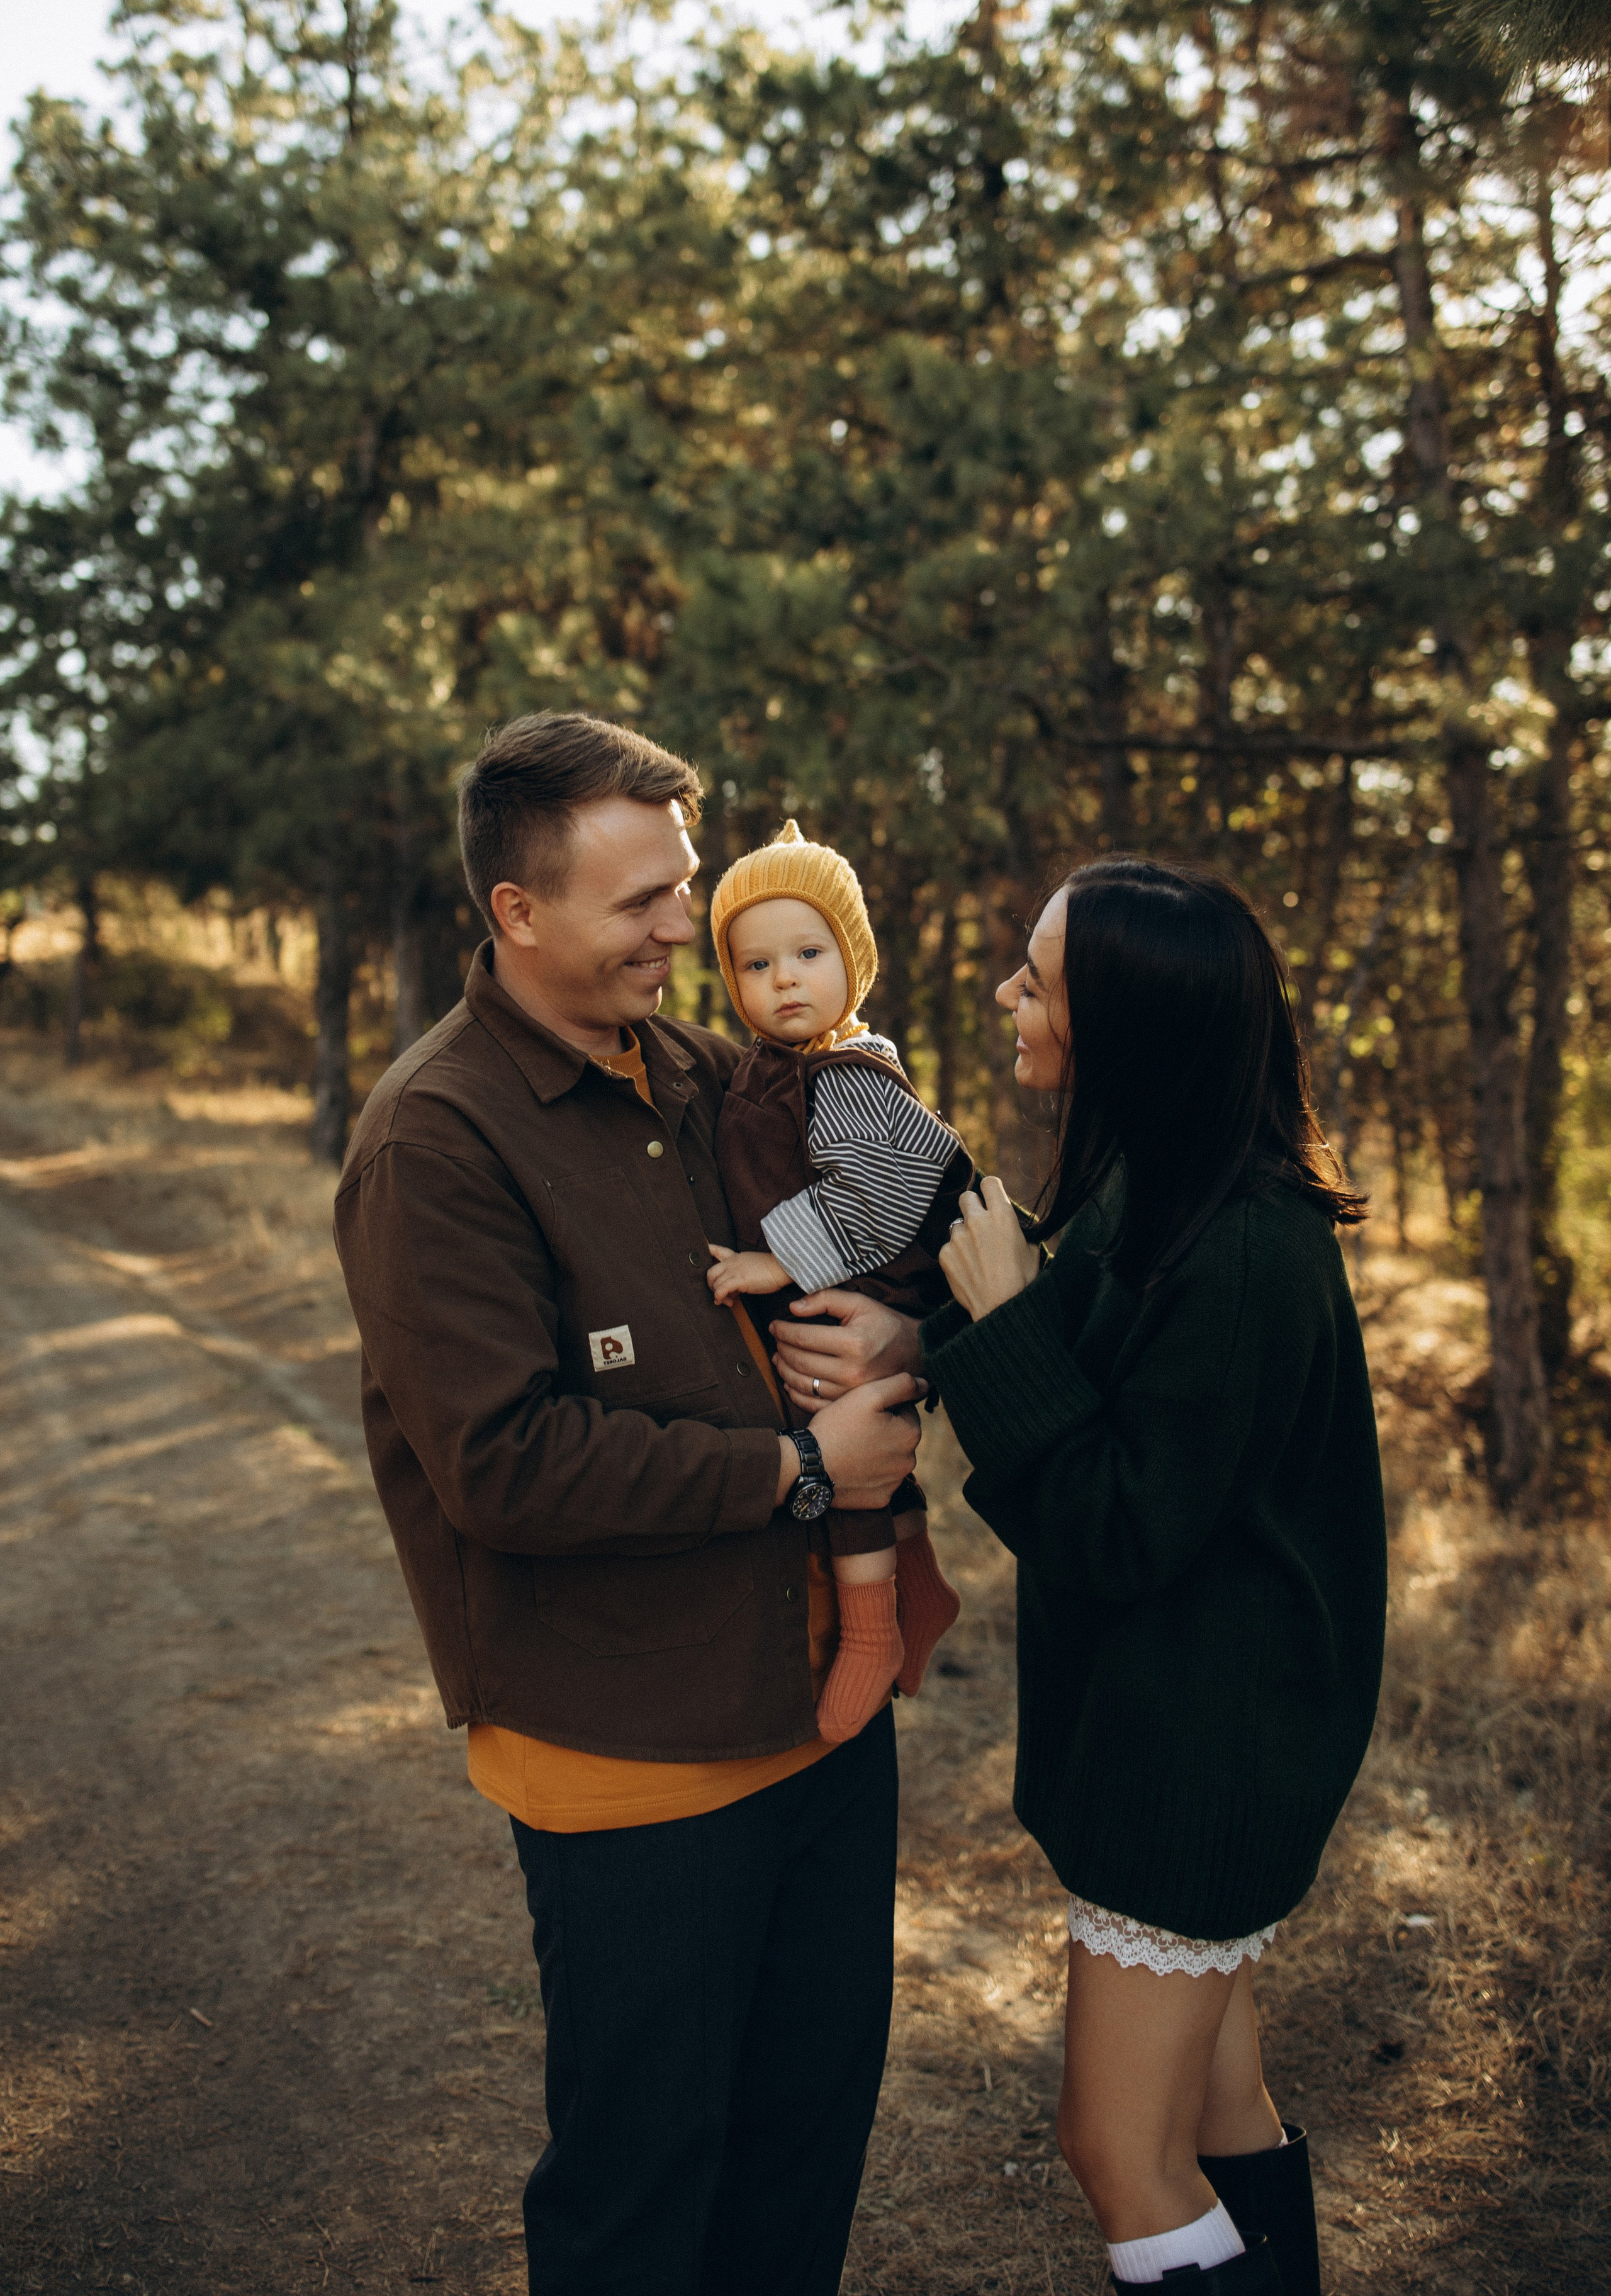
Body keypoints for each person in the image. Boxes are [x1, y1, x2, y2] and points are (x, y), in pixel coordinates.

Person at [333, 712, 928, 2296]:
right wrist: (800, 1470)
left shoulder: (696, 1064)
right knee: (640, 2197)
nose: (689, 923)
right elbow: (503, 1463)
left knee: (801, 2158)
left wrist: (900, 1327)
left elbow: (874, 1222)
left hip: (817, 1707)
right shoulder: (434, 1140)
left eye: (684, 885)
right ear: (515, 913)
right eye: (645, 900)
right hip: (631, 1757)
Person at [770, 858, 1386, 2296]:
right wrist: (923, 1340)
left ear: (1122, 1028)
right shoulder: (1151, 1189)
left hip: (1203, 1755)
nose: (1004, 994)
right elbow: (1090, 1365)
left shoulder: (1242, 1248)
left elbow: (1115, 1526)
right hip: (1193, 1730)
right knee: (1215, 2107)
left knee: (1117, 2150)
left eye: (1037, 979)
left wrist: (997, 1319)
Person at [702, 819, 968, 1742]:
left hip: (870, 1294)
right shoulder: (778, 1069)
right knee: (865, 1470)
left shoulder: (848, 1076)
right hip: (834, 1300)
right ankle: (922, 1589)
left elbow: (896, 1185)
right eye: (756, 964)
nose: (783, 980)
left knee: (848, 1473)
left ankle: (870, 1636)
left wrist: (783, 1257)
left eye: (809, 953)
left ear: (853, 962)